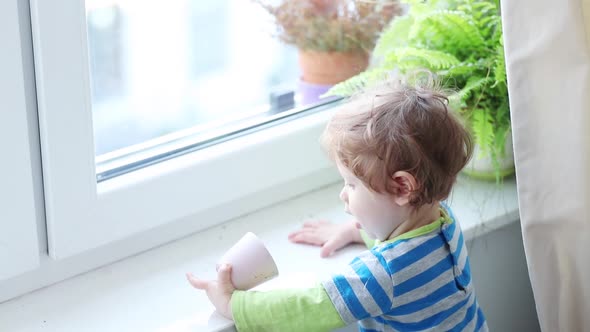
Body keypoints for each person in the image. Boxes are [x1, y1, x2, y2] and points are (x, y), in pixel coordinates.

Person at [187, 77, 488, 331]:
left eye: (352, 184)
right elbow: (403, 241)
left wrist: (233, 304)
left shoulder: (384, 274)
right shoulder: (444, 221)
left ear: (402, 187)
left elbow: (310, 307)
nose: (343, 194)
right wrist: (359, 232)